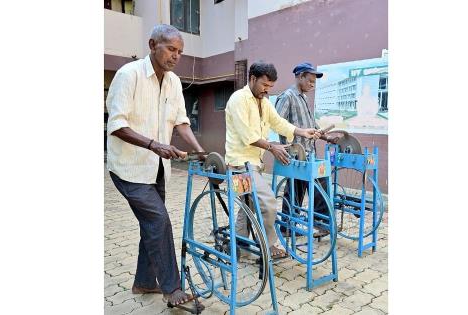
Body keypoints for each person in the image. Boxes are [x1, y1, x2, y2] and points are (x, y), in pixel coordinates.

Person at [106, 24, 205, 311]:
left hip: (157, 168)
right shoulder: (129, 75)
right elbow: (117, 125)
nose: (176, 56)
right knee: (159, 221)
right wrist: (154, 145)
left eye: (180, 52)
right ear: (152, 45)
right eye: (171, 49)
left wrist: (200, 151)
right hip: (128, 168)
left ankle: (144, 281)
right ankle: (172, 288)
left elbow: (180, 121)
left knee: (151, 225)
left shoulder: (173, 81)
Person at [224, 61, 321, 259]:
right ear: (252, 79)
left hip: (253, 164)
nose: (267, 90)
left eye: (270, 87)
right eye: (264, 85)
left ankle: (239, 248)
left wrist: (302, 131)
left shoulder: (264, 103)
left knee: (246, 206)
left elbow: (279, 122)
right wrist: (272, 147)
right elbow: (248, 136)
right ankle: (268, 245)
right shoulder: (238, 100)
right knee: (268, 203)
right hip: (238, 165)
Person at [275, 62, 338, 237]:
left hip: (309, 153)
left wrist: (327, 137)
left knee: (303, 188)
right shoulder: (287, 97)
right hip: (295, 153)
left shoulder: (304, 98)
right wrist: (299, 133)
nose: (312, 85)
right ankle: (308, 224)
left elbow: (312, 126)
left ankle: (295, 226)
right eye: (310, 81)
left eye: (314, 82)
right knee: (300, 188)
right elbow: (278, 124)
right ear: (300, 76)